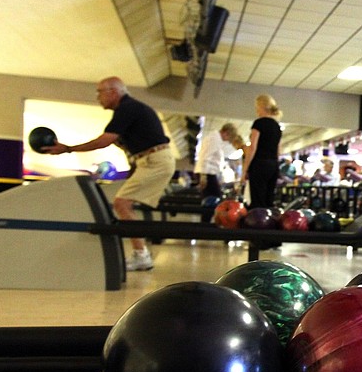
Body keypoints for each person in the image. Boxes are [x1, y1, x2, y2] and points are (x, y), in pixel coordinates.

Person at [42, 76, 175, 271]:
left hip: (156, 162)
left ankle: (142, 255)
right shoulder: (129, 110)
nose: (98, 97)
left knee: (122, 203)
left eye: (100, 92)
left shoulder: (127, 108)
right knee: (124, 204)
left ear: (113, 92)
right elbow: (125, 144)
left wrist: (68, 149)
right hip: (152, 160)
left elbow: (104, 140)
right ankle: (141, 253)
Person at [241, 94, 282, 208]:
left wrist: (245, 170)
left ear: (261, 106)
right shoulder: (277, 126)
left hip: (259, 164)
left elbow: (253, 147)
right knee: (268, 200)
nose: (256, 110)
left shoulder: (259, 123)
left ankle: (257, 224)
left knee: (258, 200)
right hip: (273, 165)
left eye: (257, 107)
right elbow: (279, 150)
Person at [195, 122, 238, 219]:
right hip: (206, 173)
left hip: (208, 173)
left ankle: (206, 222)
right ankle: (205, 224)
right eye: (229, 138)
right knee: (212, 199)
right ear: (226, 133)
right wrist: (203, 176)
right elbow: (206, 157)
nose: (227, 140)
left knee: (211, 198)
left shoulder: (215, 139)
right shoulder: (214, 139)